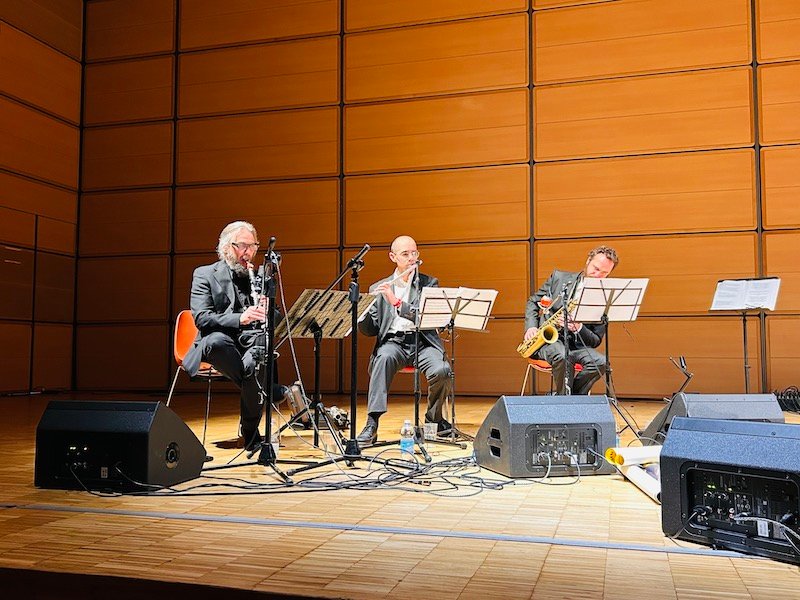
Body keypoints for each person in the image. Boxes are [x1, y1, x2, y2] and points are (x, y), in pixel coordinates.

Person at [183, 221, 290, 451]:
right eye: (243, 246)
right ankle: (265, 389)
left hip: (252, 342)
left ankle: (250, 432)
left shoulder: (262, 276)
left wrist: (268, 309)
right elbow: (202, 318)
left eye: (253, 246)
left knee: (258, 355)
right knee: (215, 343)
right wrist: (240, 318)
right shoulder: (204, 274)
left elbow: (278, 320)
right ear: (226, 247)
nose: (248, 252)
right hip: (222, 342)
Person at [356, 235, 453, 445]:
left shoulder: (429, 283)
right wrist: (359, 314)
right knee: (382, 359)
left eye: (414, 253)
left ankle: (434, 419)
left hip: (423, 342)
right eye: (405, 254)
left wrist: (397, 303)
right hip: (394, 343)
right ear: (393, 257)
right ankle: (372, 423)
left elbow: (424, 317)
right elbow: (371, 330)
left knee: (443, 370)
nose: (411, 258)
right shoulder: (379, 287)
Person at [523, 245, 619, 395]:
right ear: (588, 261)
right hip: (548, 342)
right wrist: (531, 327)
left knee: (601, 362)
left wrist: (579, 328)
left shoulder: (604, 298)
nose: (597, 275)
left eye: (604, 273)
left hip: (576, 346)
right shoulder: (558, 278)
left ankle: (567, 398)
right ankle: (567, 400)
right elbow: (533, 302)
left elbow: (595, 340)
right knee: (563, 356)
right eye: (596, 268)